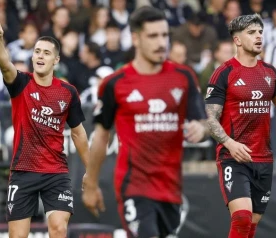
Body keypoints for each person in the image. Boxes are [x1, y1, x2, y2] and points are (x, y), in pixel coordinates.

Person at [82, 6, 208, 238]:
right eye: (153, 36)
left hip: (171, 188)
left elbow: (205, 121)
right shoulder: (115, 84)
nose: (161, 43)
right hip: (133, 186)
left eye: (164, 35)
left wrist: (202, 128)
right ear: (136, 38)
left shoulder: (183, 77)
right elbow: (101, 136)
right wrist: (90, 184)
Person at [204, 14, 276, 238]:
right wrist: (230, 143)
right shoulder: (224, 73)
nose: (258, 36)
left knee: (252, 224)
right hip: (234, 157)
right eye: (251, 32)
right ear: (237, 40)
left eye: (260, 32)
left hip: (263, 158)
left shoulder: (269, 72)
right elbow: (210, 119)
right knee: (242, 218)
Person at [0, 19, 89, 238]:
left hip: (56, 172)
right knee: (17, 235)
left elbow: (79, 133)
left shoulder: (68, 92)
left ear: (56, 60)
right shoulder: (21, 83)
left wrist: (91, 169)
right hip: (23, 170)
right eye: (37, 52)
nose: (40, 56)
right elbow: (5, 64)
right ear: (32, 56)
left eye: (46, 53)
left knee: (59, 228)